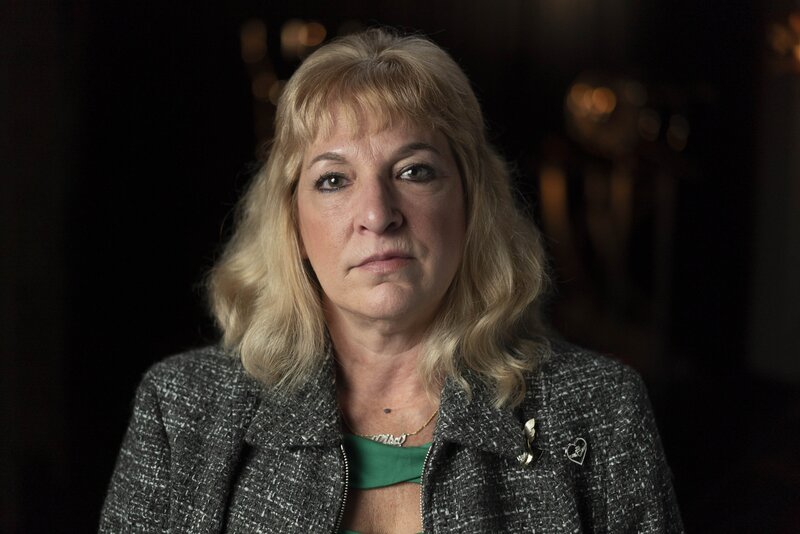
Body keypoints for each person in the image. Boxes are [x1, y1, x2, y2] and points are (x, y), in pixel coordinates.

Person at [100, 28, 682, 533]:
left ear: (471, 204)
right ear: (291, 221)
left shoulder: (602, 410)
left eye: (414, 171)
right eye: (333, 180)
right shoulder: (181, 409)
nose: (378, 214)